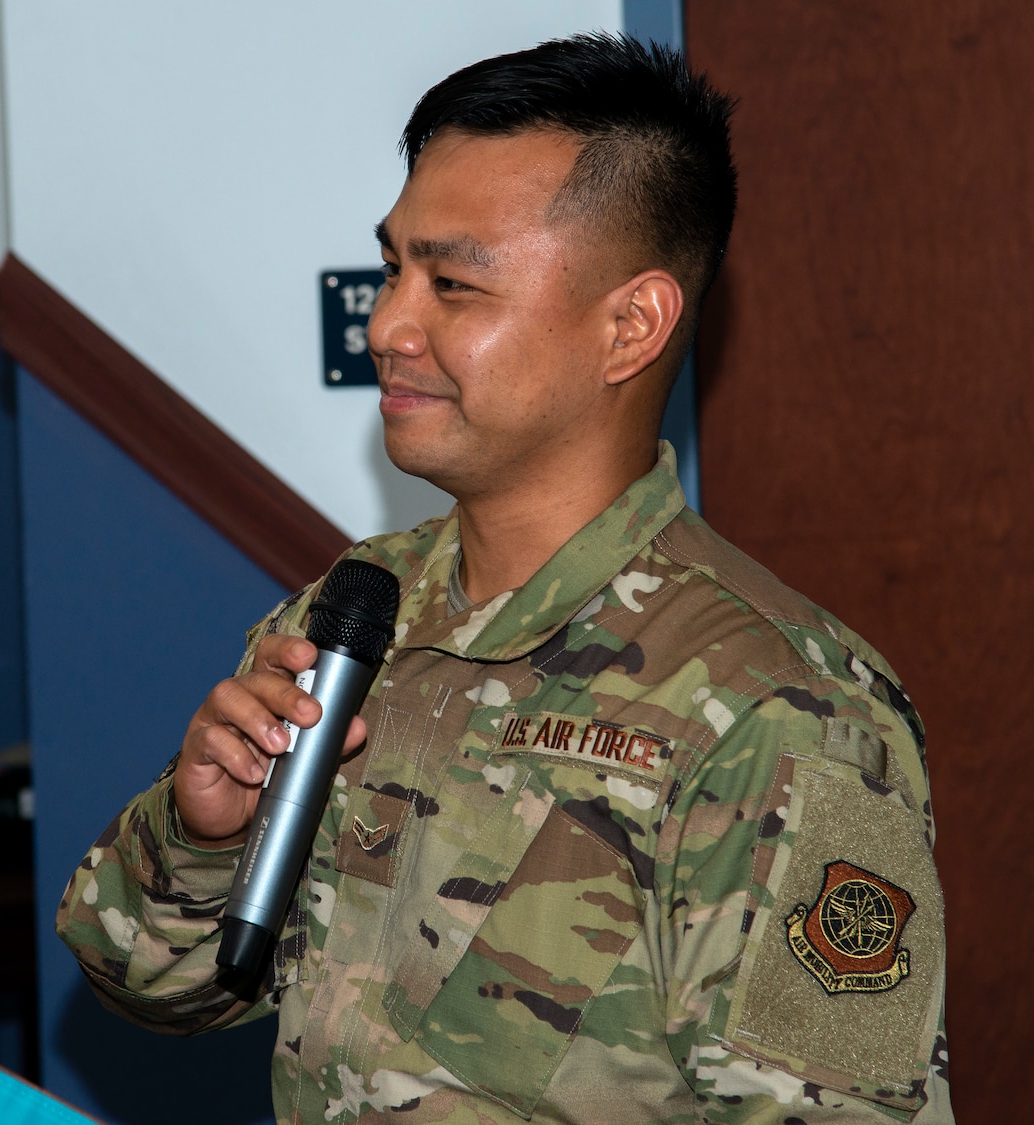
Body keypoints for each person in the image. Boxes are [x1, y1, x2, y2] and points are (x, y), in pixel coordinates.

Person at [57, 33, 951, 1124]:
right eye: (392, 269)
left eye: (453, 284)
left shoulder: (780, 707)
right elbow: (156, 989)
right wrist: (201, 839)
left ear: (629, 325)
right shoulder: (352, 620)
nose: (388, 324)